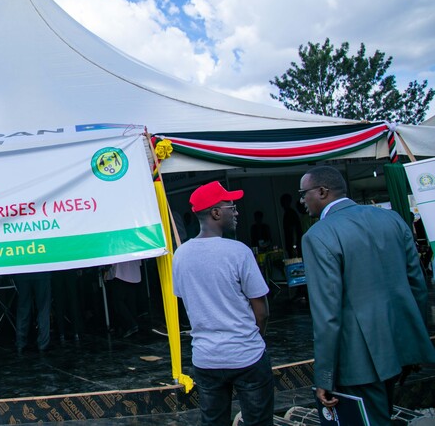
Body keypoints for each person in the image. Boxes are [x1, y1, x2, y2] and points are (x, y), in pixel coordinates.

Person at [298, 166, 435, 425]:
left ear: (322, 192)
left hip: (359, 360)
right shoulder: (392, 219)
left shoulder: (318, 235)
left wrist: (324, 377)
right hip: (399, 345)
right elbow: (418, 285)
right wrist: (415, 341)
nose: (302, 201)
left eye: (304, 194)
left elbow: (327, 314)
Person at [173, 181, 273, 425]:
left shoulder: (180, 255)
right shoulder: (238, 252)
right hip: (247, 356)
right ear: (215, 213)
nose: (236, 212)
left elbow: (188, 304)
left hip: (206, 359)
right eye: (232, 206)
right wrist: (252, 341)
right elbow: (262, 311)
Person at [13, 271, 51, 354]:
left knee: (23, 307)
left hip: (22, 272)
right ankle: (43, 344)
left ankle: (20, 342)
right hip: (41, 272)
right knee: (43, 307)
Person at [104, 260, 141, 338]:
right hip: (133, 271)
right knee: (130, 301)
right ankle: (133, 325)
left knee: (117, 301)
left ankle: (131, 324)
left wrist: (106, 269)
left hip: (121, 273)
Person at [280, 193, 303, 258]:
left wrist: (294, 245)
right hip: (292, 243)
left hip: (294, 244)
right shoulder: (288, 213)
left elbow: (294, 229)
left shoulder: (290, 213)